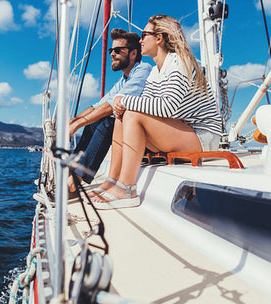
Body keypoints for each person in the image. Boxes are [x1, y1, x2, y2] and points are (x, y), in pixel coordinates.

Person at [92, 14, 222, 209]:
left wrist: (124, 99)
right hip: (180, 133)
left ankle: (127, 188)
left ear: (159, 38)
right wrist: (121, 105)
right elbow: (147, 104)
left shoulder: (179, 62)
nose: (141, 40)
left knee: (132, 112)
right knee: (122, 115)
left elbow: (167, 107)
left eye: (144, 35)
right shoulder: (155, 71)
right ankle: (113, 180)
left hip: (203, 137)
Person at [68, 28, 152, 196]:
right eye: (110, 50)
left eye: (117, 50)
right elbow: (99, 105)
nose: (112, 54)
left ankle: (75, 182)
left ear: (134, 53)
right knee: (94, 122)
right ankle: (71, 172)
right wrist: (72, 122)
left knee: (106, 122)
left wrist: (76, 125)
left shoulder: (144, 70)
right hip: (128, 135)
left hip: (144, 137)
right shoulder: (123, 80)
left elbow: (112, 106)